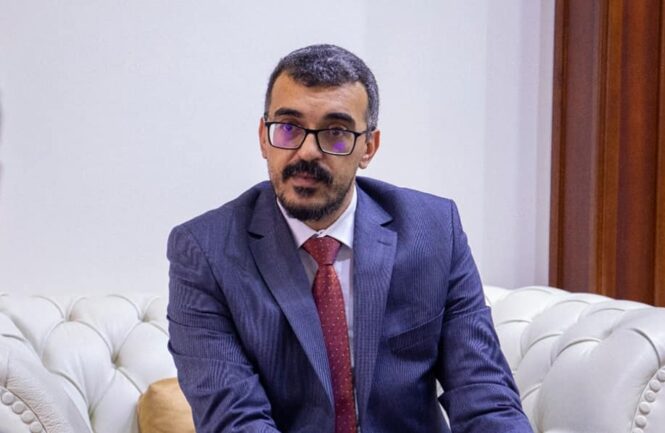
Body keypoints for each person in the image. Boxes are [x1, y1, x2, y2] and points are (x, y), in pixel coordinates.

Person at [167, 44, 532, 433]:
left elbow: (484, 394)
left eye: (336, 133)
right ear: (263, 137)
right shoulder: (205, 251)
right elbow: (235, 420)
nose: (307, 151)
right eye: (288, 128)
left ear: (368, 148)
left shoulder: (433, 231)